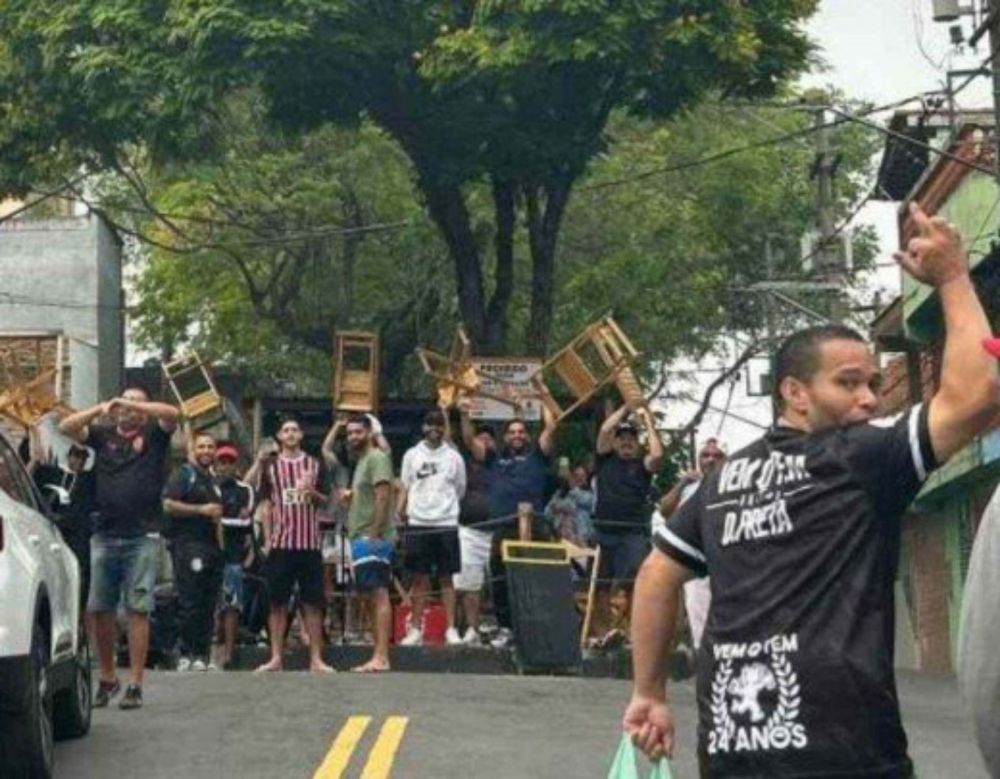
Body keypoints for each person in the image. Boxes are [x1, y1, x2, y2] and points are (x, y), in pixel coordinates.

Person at [624, 204, 999, 777]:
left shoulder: (719, 483)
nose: (870, 399)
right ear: (794, 393)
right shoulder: (864, 456)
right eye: (848, 383)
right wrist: (952, 277)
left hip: (733, 753)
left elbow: (657, 573)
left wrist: (648, 693)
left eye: (874, 383)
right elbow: (978, 394)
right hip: (843, 754)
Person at [59, 384, 179, 710]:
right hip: (105, 532)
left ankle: (136, 682)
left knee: (138, 608)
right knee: (100, 608)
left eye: (137, 403)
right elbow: (67, 427)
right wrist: (101, 408)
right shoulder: (103, 434)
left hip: (143, 534)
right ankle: (108, 677)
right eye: (126, 403)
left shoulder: (155, 435)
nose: (130, 408)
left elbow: (173, 414)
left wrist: (136, 404)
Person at [464, 403, 558, 648]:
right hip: (503, 527)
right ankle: (506, 628)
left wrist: (542, 397)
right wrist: (464, 412)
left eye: (521, 432)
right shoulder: (495, 459)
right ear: (504, 438)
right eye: (512, 432)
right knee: (500, 578)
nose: (517, 435)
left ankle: (537, 630)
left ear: (527, 436)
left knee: (536, 579)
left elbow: (551, 427)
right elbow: (469, 440)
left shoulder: (537, 456)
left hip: (534, 526)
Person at [255, 415, 333, 674]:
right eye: (285, 430)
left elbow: (326, 500)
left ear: (300, 435)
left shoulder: (314, 464)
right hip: (280, 542)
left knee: (313, 602)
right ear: (279, 436)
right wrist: (267, 539)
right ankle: (276, 657)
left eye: (294, 430)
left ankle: (316, 659)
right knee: (276, 602)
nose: (290, 434)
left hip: (309, 542)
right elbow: (266, 504)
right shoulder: (270, 466)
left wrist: (312, 493)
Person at [592, 400, 664, 643]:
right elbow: (604, 431)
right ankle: (602, 633)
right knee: (600, 586)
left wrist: (647, 423)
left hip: (632, 533)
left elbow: (657, 455)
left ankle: (634, 635)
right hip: (603, 530)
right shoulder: (605, 459)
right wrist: (626, 407)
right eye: (621, 438)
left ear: (637, 443)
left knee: (634, 584)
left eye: (631, 439)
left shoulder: (642, 465)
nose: (626, 442)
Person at [398, 409, 467, 646]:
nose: (434, 429)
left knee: (447, 578)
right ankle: (416, 629)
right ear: (423, 428)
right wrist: (400, 514)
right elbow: (405, 486)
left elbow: (460, 488)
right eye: (430, 424)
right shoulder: (411, 455)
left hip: (446, 522)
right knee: (419, 578)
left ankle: (450, 628)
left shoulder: (454, 456)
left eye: (439, 425)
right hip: (418, 522)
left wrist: (444, 508)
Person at [654, 438, 726, 651]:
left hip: (728, 562)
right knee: (699, 618)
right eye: (705, 455)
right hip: (697, 564)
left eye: (717, 455)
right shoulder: (689, 487)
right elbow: (664, 510)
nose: (711, 460)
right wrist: (683, 482)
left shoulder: (737, 485)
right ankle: (704, 668)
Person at [163, 431, 224, 672]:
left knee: (209, 602)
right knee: (190, 599)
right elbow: (168, 504)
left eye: (210, 446)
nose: (206, 451)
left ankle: (202, 654)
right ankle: (186, 654)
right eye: (202, 447)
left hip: (212, 549)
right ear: (194, 450)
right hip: (188, 546)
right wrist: (200, 510)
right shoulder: (184, 474)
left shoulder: (213, 479)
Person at [345, 414, 396, 672]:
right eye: (349, 432)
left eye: (357, 431)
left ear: (368, 432)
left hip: (372, 537)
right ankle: (377, 654)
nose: (353, 436)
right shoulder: (362, 462)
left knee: (378, 594)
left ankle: (382, 656)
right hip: (360, 536)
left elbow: (383, 496)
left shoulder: (376, 457)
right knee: (369, 595)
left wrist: (375, 534)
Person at [27, 427, 97, 612]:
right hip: (52, 530)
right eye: (74, 454)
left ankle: (77, 612)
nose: (78, 459)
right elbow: (35, 461)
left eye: (82, 456)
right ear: (68, 456)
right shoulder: (52, 473)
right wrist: (34, 430)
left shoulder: (89, 480)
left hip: (77, 533)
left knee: (79, 573)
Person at [453, 413, 497, 645]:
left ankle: (502, 628)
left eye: (489, 439)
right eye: (481, 438)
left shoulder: (499, 462)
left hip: (498, 532)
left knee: (500, 582)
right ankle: (471, 628)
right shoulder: (465, 462)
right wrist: (464, 412)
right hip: (470, 530)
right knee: (469, 583)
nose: (484, 442)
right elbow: (467, 438)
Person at [214, 443, 255, 669]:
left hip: (232, 556)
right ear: (216, 464)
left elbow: (244, 522)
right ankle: (206, 651)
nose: (226, 466)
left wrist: (218, 519)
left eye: (230, 462)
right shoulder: (206, 486)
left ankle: (229, 653)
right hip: (206, 554)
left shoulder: (244, 490)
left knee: (231, 604)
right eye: (222, 462)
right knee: (205, 603)